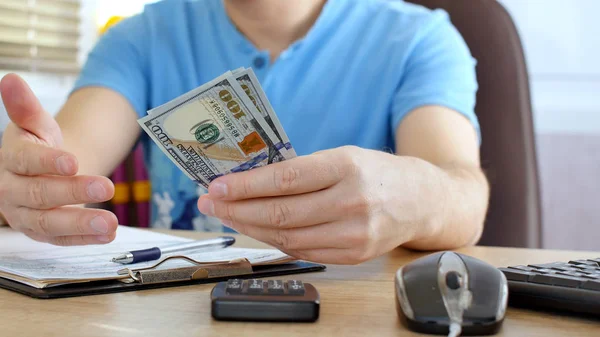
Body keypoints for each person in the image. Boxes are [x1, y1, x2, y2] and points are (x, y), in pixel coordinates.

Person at [0, 0, 489, 264]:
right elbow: (66, 159)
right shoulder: (140, 36)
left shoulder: (421, 38)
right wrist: (29, 177)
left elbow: (463, 195)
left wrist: (420, 196)